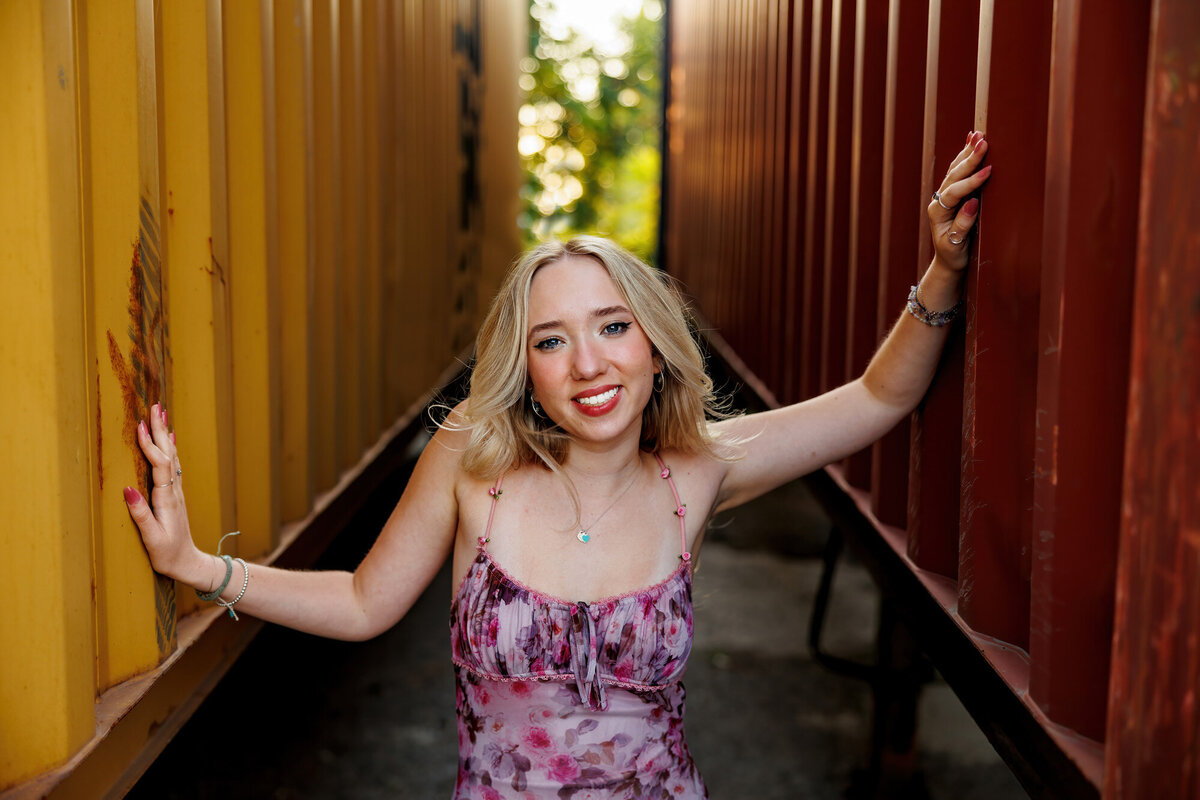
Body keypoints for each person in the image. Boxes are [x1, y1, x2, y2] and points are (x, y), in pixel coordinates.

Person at [124, 133, 992, 798]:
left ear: (655, 345)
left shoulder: (695, 472)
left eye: (613, 326)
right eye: (552, 340)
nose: (588, 363)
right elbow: (360, 602)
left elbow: (878, 401)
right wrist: (201, 568)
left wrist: (944, 270)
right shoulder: (475, 461)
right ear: (526, 370)